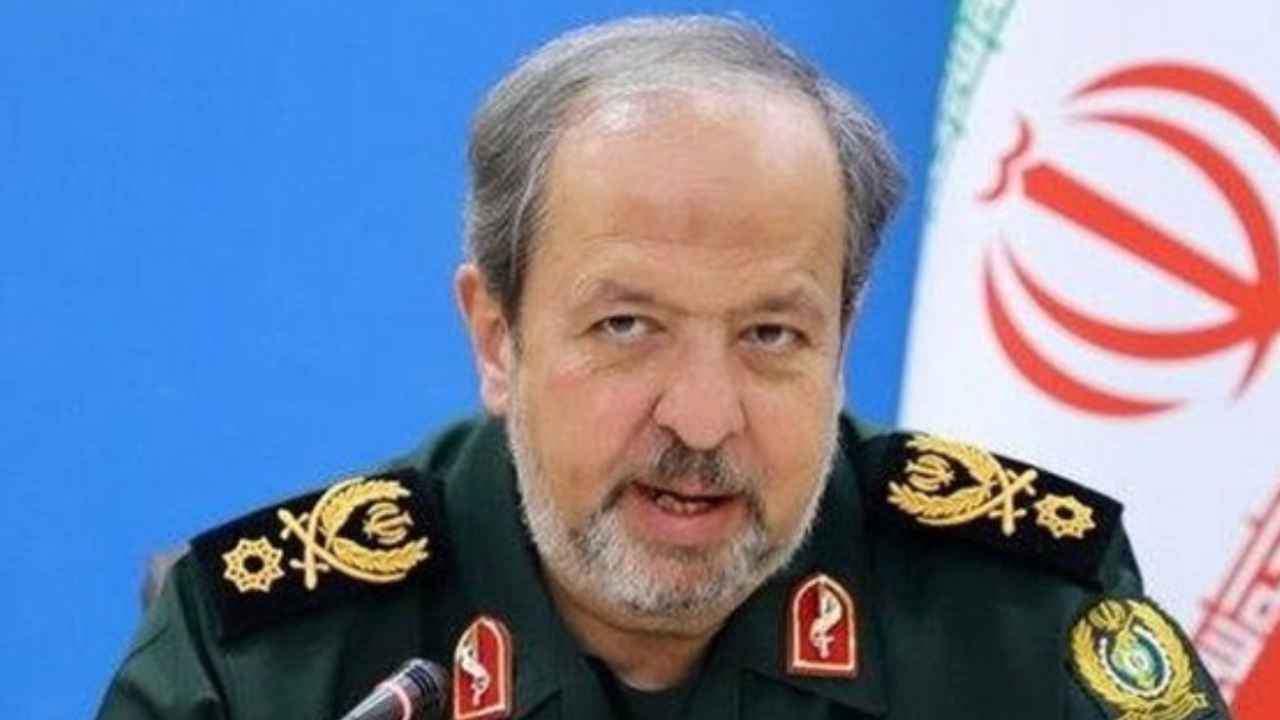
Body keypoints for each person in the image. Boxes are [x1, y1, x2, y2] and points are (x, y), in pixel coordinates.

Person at [94, 14, 1232, 720]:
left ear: (842, 340)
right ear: (496, 336)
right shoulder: (272, 662)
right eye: (628, 326)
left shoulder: (1023, 619)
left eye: (770, 336)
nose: (700, 418)